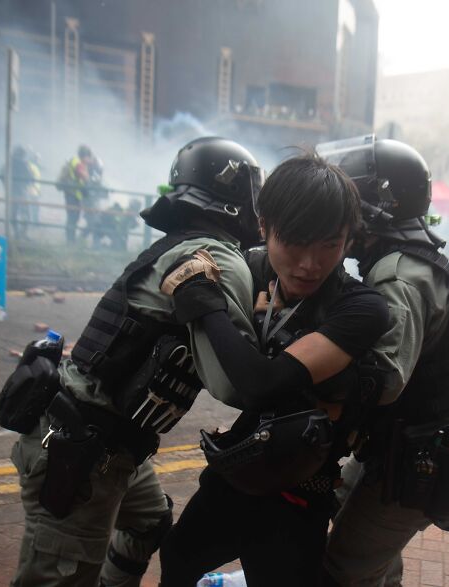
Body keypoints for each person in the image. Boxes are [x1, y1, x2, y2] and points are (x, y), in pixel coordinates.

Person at [0, 137, 264, 587]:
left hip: (96, 439)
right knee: (60, 574)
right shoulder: (219, 259)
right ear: (241, 198)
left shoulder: (184, 245)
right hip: (81, 450)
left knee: (148, 524)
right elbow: (237, 383)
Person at [158, 153, 391, 587]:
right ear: (264, 226)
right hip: (239, 468)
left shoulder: (362, 308)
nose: (310, 263)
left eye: (329, 244)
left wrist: (208, 307)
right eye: (295, 242)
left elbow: (260, 385)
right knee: (177, 557)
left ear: (348, 240)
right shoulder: (252, 269)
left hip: (300, 492)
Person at [318, 136, 449, 587]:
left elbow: (383, 379)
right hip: (400, 444)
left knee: (344, 569)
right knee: (371, 556)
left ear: (379, 204)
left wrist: (298, 372)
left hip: (414, 457)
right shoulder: (406, 260)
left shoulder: (400, 274)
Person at [59, 145, 97, 245]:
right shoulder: (78, 163)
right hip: (72, 195)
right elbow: (84, 177)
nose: (89, 159)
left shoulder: (75, 161)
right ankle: (70, 241)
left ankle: (71, 240)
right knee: (72, 218)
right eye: (88, 157)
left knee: (72, 218)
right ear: (85, 156)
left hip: (72, 194)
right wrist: (88, 177)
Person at [6, 146, 38, 241]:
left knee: (13, 213)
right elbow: (31, 177)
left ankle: (16, 233)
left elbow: (1, 173)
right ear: (22, 155)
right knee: (25, 214)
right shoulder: (24, 164)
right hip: (21, 192)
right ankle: (22, 234)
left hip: (11, 192)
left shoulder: (9, 163)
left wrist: (6, 185)